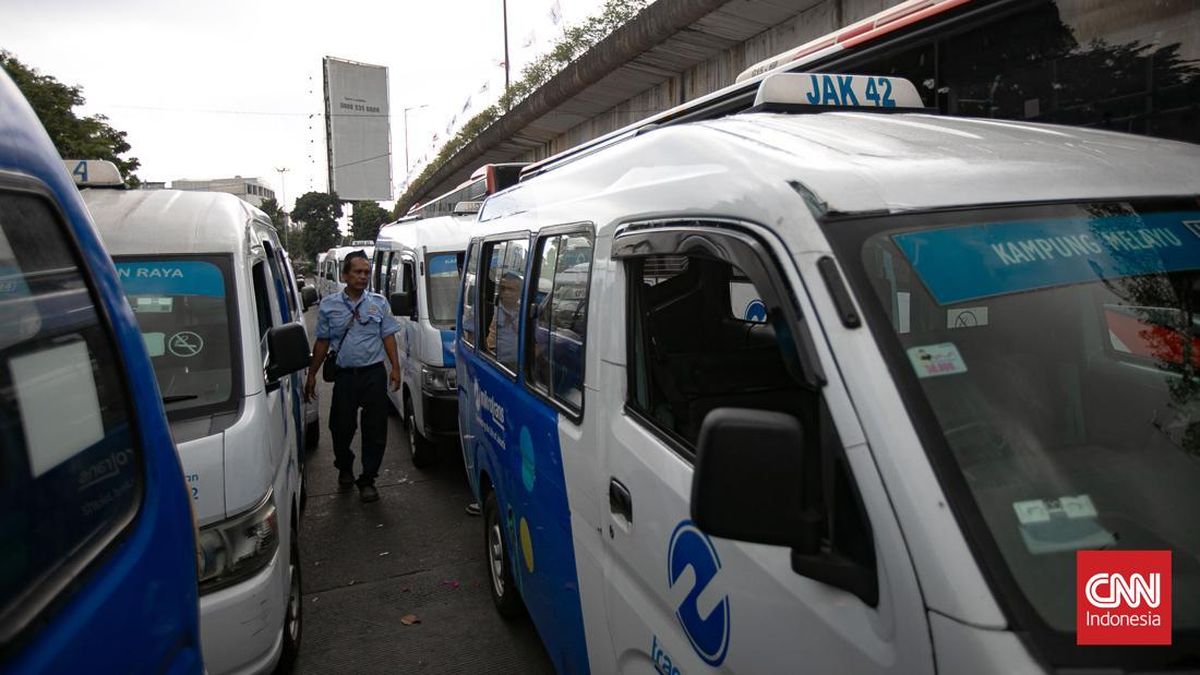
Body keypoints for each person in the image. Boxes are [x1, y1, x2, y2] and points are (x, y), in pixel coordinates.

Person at [305, 251, 401, 503]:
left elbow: (388, 336)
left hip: (373, 375)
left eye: (366, 272)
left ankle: (368, 479)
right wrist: (312, 374)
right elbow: (322, 342)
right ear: (346, 275)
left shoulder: (379, 303)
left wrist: (395, 368)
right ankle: (344, 466)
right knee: (340, 428)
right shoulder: (329, 305)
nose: (363, 277)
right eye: (358, 272)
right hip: (345, 377)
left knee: (375, 430)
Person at [486, 271, 522, 367]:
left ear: (519, 292)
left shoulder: (525, 314)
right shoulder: (490, 310)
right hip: (496, 364)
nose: (506, 292)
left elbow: (536, 341)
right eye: (503, 288)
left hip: (520, 366)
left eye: (511, 289)